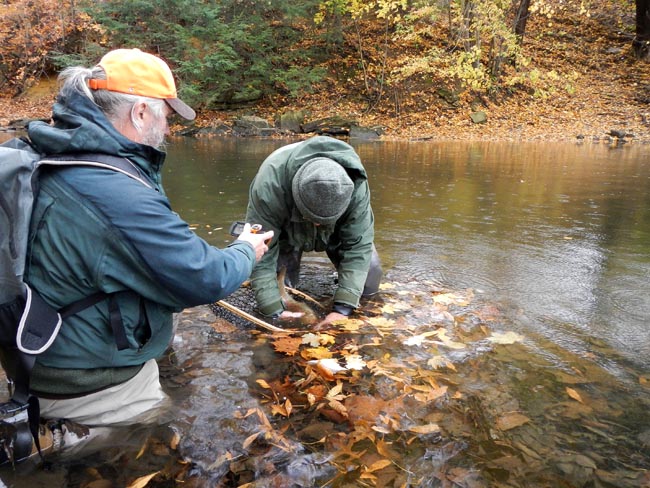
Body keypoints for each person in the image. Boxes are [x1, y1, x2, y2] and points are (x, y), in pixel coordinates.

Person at [0, 48, 272, 459]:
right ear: (141, 112)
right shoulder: (112, 191)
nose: (168, 126)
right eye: (166, 114)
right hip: (83, 379)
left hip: (33, 352)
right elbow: (206, 277)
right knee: (158, 436)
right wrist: (245, 250)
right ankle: (59, 443)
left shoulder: (54, 153)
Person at [245, 136, 382, 327]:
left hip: (336, 231)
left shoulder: (354, 185)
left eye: (322, 222)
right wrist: (273, 310)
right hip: (286, 230)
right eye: (313, 220)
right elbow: (262, 252)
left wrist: (343, 309)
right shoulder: (270, 185)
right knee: (278, 286)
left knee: (371, 270)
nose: (317, 225)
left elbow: (358, 246)